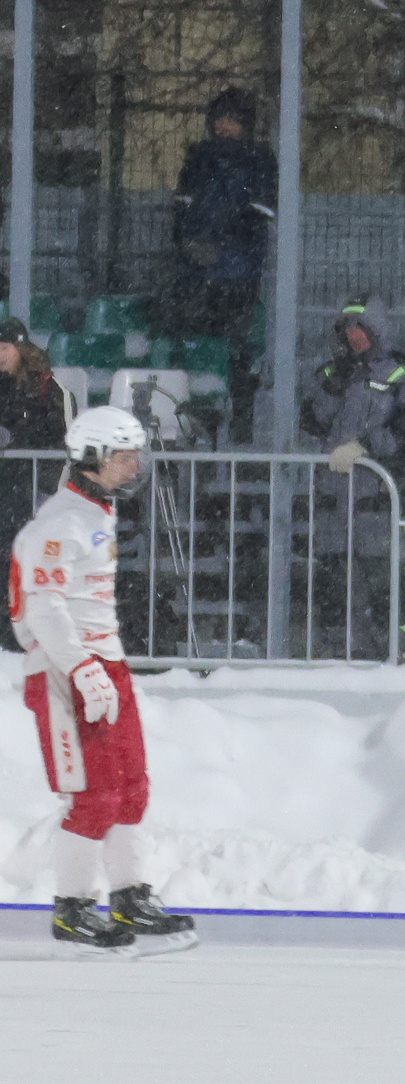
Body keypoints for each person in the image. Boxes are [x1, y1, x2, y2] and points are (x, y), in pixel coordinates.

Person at [10, 407, 195, 952]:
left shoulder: (95, 513)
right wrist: (82, 668)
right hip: (70, 669)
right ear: (90, 458)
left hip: (103, 662)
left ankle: (130, 894)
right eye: (122, 455)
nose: (133, 465)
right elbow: (43, 609)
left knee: (131, 789)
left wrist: (103, 665)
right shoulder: (61, 524)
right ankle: (72, 908)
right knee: (94, 796)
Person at [165, 87, 277, 408]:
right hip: (197, 273)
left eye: (233, 121)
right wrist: (188, 244)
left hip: (237, 274)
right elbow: (182, 206)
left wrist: (223, 244)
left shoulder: (258, 161)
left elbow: (260, 213)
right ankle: (195, 410)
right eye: (221, 120)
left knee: (236, 347)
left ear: (246, 126)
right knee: (194, 345)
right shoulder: (199, 158)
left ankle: (240, 418)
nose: (224, 127)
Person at [299, 296, 405, 499]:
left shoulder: (404, 373)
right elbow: (311, 423)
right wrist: (334, 386)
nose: (353, 335)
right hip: (329, 493)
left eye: (360, 327)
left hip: (377, 493)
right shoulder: (330, 372)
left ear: (377, 329)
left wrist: (364, 447)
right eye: (348, 328)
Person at [0, 317, 79, 554]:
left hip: (31, 495)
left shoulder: (50, 391)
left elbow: (67, 449)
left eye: (4, 348)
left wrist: (50, 495)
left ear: (22, 348)